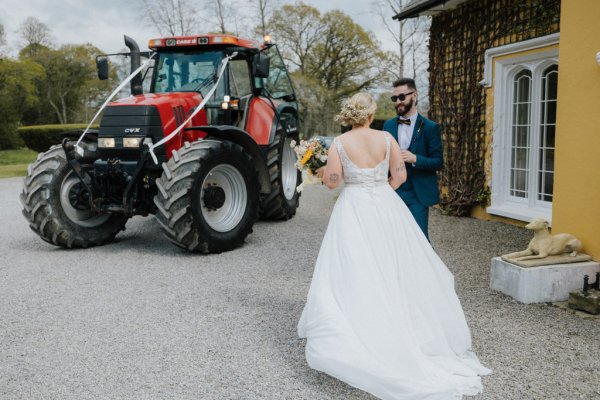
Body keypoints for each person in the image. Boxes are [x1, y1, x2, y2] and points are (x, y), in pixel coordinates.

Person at [298, 92, 490, 400]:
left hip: (354, 207)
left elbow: (333, 181)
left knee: (355, 265)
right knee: (393, 263)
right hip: (386, 206)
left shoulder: (339, 143)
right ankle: (401, 321)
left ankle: (361, 320)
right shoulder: (387, 139)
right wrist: (379, 192)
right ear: (371, 115)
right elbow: (399, 177)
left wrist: (317, 170)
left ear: (349, 116)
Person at [383, 78, 443, 241]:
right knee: (394, 239)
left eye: (402, 97)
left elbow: (438, 162)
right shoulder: (388, 126)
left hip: (418, 194)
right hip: (393, 191)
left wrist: (416, 158)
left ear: (414, 95)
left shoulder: (430, 127)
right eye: (395, 98)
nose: (398, 102)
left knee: (420, 240)